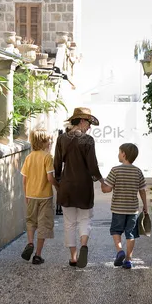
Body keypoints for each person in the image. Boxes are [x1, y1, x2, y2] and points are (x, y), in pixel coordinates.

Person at [54, 107, 104, 268]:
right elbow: (92, 165)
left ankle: (74, 257)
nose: (89, 127)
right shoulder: (87, 140)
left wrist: (58, 182)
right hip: (84, 186)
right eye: (88, 123)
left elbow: (57, 163)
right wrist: (101, 180)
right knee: (85, 219)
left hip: (67, 184)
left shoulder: (62, 139)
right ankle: (84, 245)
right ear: (82, 121)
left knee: (69, 223)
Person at [101, 143, 147, 269]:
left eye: (119, 152)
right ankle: (128, 260)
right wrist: (145, 206)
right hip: (132, 210)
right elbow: (142, 190)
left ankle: (120, 250)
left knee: (116, 231)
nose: (118, 154)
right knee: (130, 234)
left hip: (118, 209)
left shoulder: (115, 170)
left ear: (124, 154)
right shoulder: (138, 171)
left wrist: (102, 185)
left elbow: (108, 189)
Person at [21, 128, 59, 265]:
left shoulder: (29, 157)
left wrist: (26, 195)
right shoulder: (47, 157)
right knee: (44, 224)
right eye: (49, 140)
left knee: (31, 221)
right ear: (43, 142)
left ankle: (30, 243)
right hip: (45, 197)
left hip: (31, 195)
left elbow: (24, 179)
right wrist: (58, 186)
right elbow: (50, 178)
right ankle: (37, 255)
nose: (50, 142)